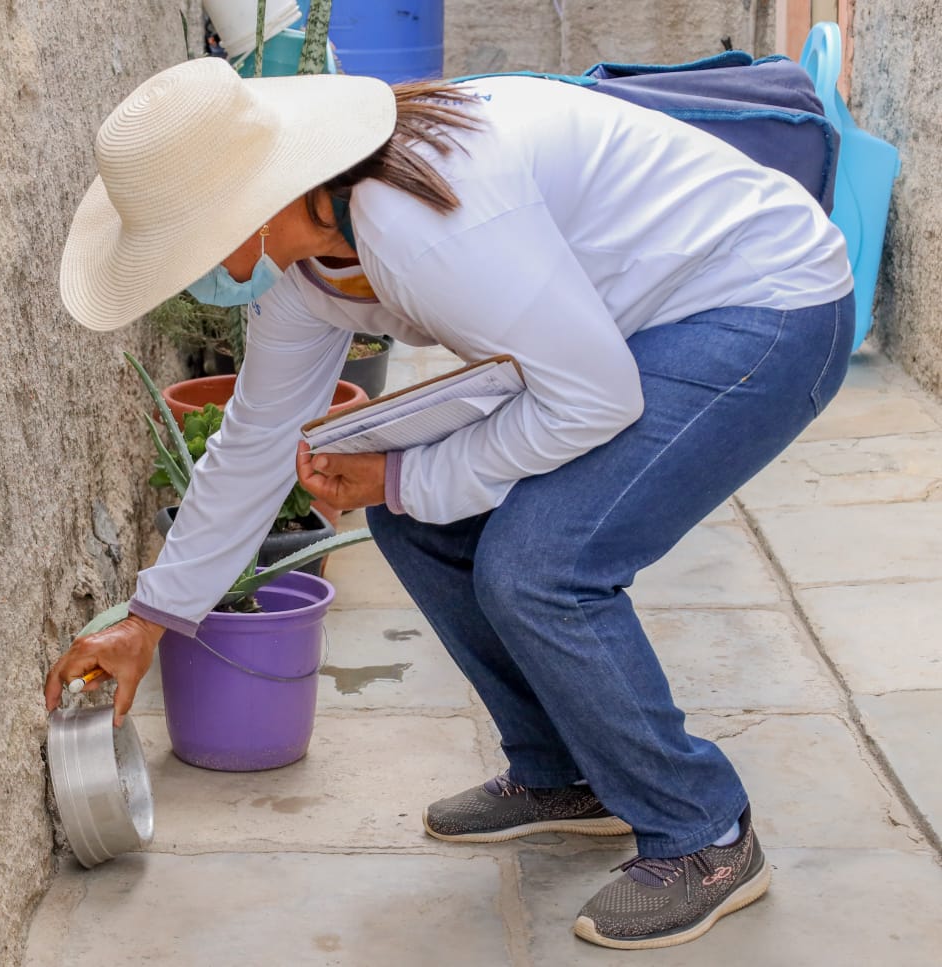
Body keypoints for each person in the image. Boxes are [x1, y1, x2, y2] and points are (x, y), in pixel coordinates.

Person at [46, 56, 853, 949]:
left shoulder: (425, 227)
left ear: (250, 205)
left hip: (766, 305)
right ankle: (566, 771)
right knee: (424, 515)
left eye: (177, 240)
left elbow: (593, 399)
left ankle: (705, 831)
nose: (179, 269)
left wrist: (400, 476)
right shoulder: (318, 260)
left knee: (541, 568)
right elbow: (253, 445)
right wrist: (148, 619)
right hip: (636, 327)